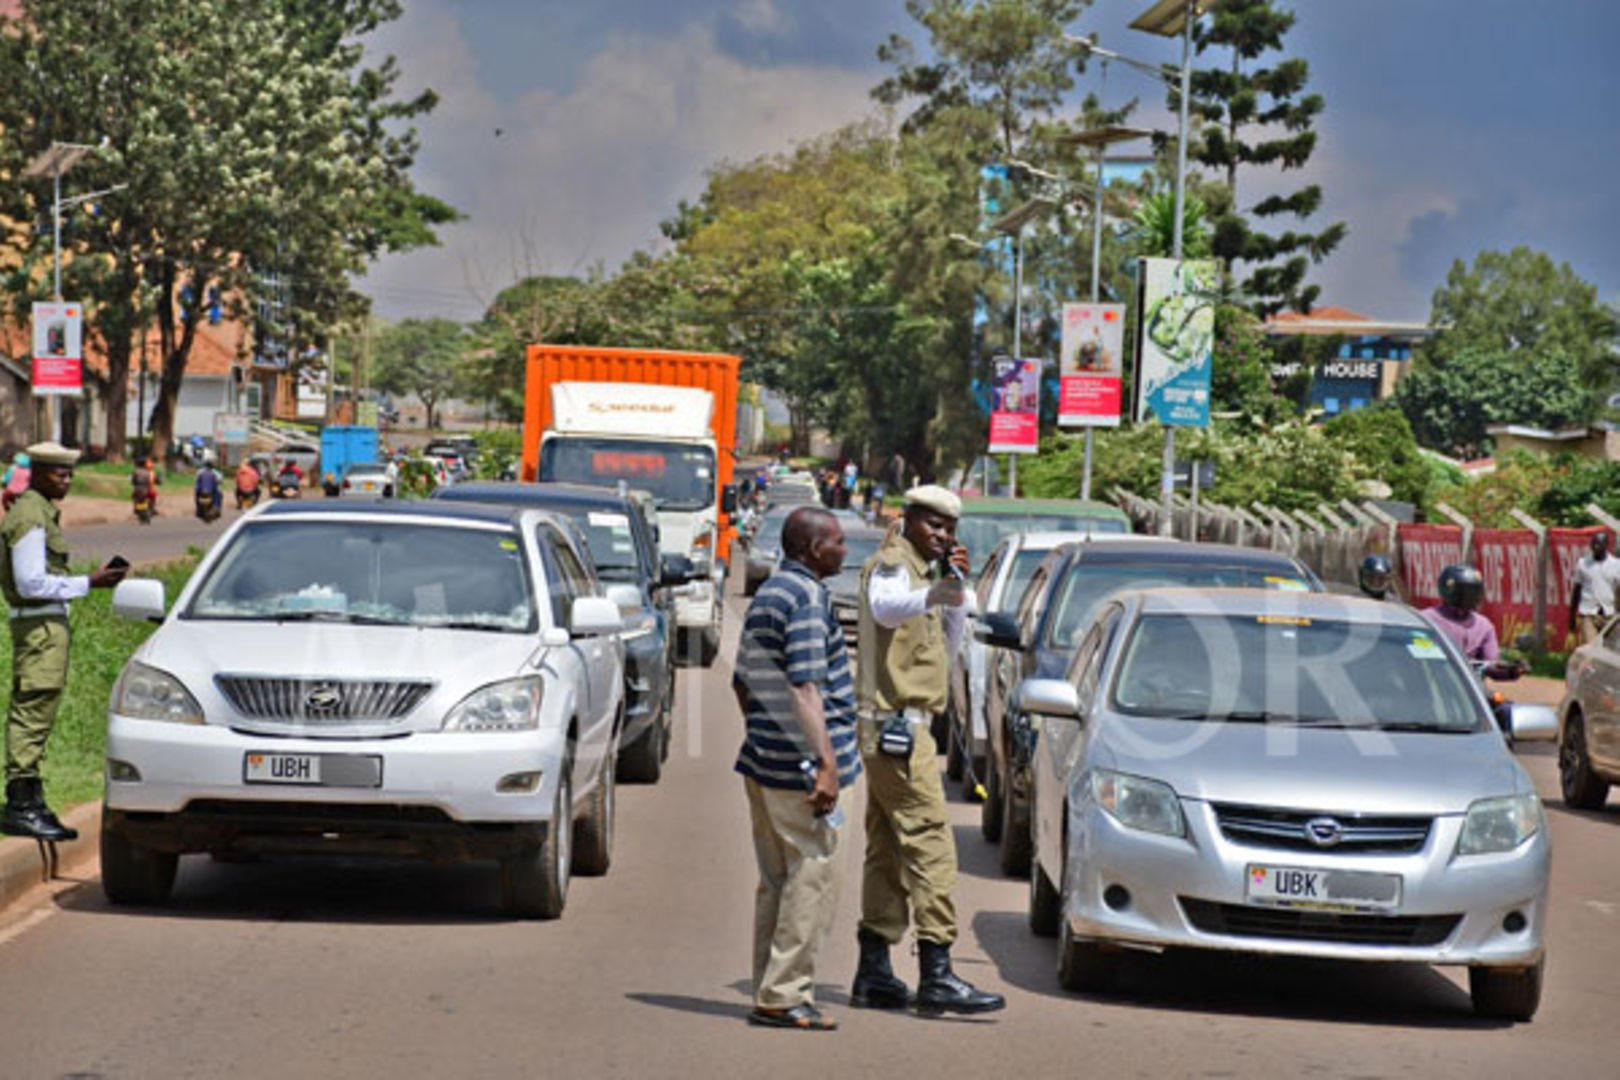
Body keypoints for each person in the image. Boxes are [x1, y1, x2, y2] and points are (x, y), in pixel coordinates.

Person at [852, 484, 1005, 1015]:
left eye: (950, 529)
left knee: (888, 850)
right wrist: (936, 592)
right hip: (896, 729)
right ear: (908, 519)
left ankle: (874, 970)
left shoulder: (925, 572)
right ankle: (937, 972)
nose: (942, 535)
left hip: (902, 729)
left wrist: (955, 589)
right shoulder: (894, 563)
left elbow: (949, 645)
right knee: (932, 847)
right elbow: (885, 609)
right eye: (933, 525)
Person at [731, 507, 859, 1032]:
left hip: (766, 761)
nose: (844, 550)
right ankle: (785, 995)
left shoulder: (771, 591)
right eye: (838, 542)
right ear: (813, 549)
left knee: (777, 881)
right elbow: (806, 688)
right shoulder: (806, 598)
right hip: (803, 771)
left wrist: (767, 733)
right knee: (812, 877)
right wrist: (826, 764)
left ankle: (771, 987)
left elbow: (742, 682)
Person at [0, 442, 128, 841]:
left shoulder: (37, 510)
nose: (67, 480)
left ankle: (30, 797)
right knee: (33, 708)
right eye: (60, 473)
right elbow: (30, 582)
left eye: (70, 473)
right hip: (39, 626)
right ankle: (20, 804)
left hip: (46, 624)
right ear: (39, 473)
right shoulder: (30, 515)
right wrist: (89, 582)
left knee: (39, 707)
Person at [1421, 564, 1520, 680]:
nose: (1469, 597)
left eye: (1473, 592)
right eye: (1464, 592)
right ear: (1448, 590)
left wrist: (1513, 671)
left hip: (1469, 688)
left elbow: (1492, 666)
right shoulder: (1426, 620)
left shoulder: (1483, 625)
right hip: (1433, 683)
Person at [1569, 532, 1620, 646]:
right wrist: (1572, 616)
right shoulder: (1583, 563)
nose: (1596, 547)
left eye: (1599, 544)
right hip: (1589, 612)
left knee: (1609, 648)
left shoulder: (1616, 565)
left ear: (1606, 545)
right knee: (1591, 646)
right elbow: (1577, 590)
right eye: (1594, 543)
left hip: (1609, 613)